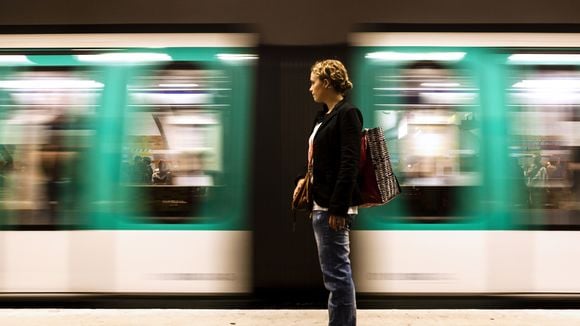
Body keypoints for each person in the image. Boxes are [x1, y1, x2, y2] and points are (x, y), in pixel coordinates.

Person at [294, 59, 362, 326]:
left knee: (337, 275)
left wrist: (338, 208)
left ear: (326, 81)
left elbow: (349, 163)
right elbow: (320, 159)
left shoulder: (348, 113)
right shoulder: (323, 116)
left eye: (313, 82)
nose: (310, 88)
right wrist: (303, 178)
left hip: (333, 208)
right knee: (334, 275)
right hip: (320, 204)